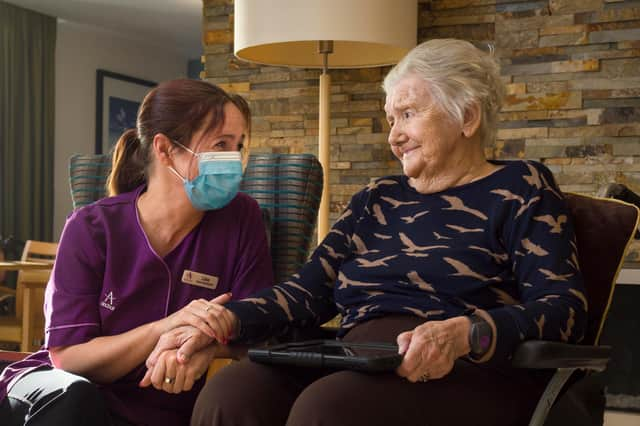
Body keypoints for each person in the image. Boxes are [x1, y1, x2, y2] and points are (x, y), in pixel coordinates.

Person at [154, 39, 587, 426]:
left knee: (327, 409)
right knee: (232, 394)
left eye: (408, 115)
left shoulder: (520, 187)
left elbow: (563, 308)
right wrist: (223, 321)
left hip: (465, 369)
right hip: (360, 357)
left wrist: (464, 333)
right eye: (390, 119)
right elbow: (305, 292)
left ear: (467, 116)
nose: (394, 136)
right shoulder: (377, 198)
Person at [0, 79, 274, 426]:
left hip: (159, 402)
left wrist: (200, 345)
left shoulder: (242, 218)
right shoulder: (91, 227)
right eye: (220, 144)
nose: (233, 159)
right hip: (62, 392)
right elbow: (69, 358)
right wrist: (166, 328)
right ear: (164, 149)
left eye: (239, 145)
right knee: (76, 401)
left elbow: (255, 328)